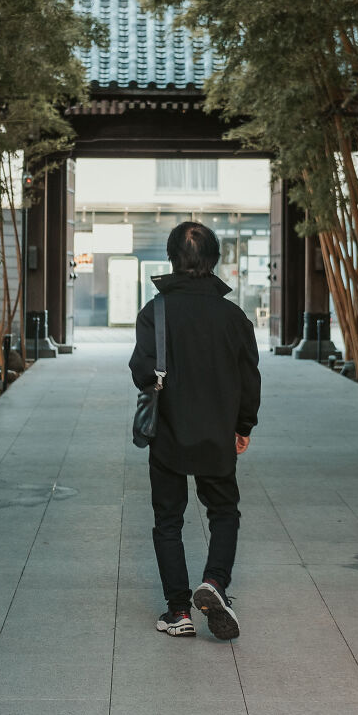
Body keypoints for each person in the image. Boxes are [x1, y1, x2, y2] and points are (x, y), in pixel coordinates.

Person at [129, 220, 261, 640]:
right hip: (218, 434)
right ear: (213, 260)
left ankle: (178, 611)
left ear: (171, 258)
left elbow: (141, 372)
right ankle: (215, 583)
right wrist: (243, 425)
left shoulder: (156, 312)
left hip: (168, 433)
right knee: (224, 512)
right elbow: (249, 378)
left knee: (168, 520)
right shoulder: (233, 316)